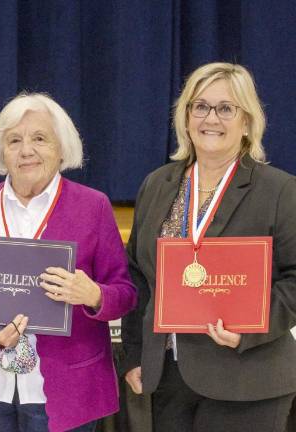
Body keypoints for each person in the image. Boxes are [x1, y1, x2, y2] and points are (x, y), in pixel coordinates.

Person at [0, 92, 137, 432]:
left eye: (40, 138)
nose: (26, 150)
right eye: (14, 140)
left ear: (62, 148)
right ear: (1, 151)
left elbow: (125, 293)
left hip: (66, 388)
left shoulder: (93, 207)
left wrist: (94, 295)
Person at [121, 62, 296, 432]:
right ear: (185, 118)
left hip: (248, 380)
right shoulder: (157, 184)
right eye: (199, 106)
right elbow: (137, 274)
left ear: (247, 122)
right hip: (169, 375)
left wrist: (250, 329)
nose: (210, 118)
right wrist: (135, 356)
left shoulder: (280, 190)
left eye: (225, 108)